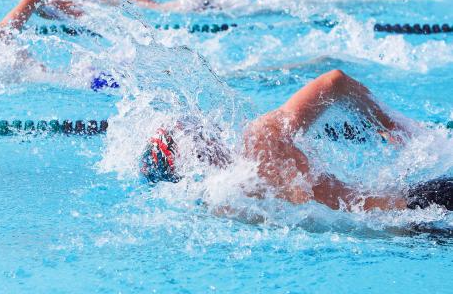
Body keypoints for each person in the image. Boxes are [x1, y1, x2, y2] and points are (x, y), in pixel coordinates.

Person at [140, 69, 453, 212]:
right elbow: (335, 81)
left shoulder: (226, 207)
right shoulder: (259, 143)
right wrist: (386, 124)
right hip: (421, 204)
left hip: (407, 228)